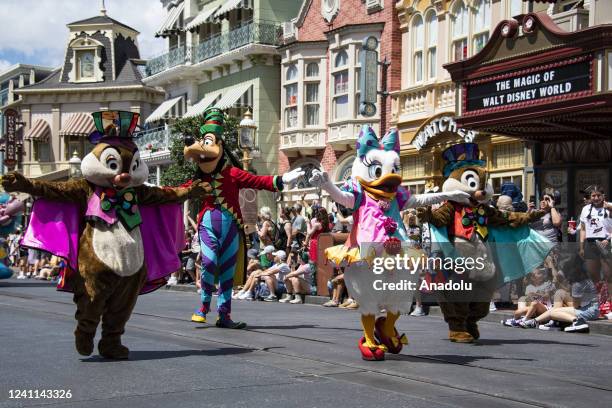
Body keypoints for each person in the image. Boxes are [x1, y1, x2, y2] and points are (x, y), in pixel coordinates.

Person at [521, 252, 599, 332]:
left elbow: (576, 305)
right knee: (559, 293)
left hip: (589, 311)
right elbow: (558, 276)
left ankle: (578, 322)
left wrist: (561, 309)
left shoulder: (577, 283)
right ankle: (544, 321)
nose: (563, 270)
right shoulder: (582, 277)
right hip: (588, 307)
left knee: (554, 312)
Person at [579, 186, 610, 284]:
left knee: (608, 273)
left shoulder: (609, 207)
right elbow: (583, 229)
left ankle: (609, 297)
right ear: (590, 197)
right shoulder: (585, 209)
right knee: (592, 273)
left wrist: (608, 239)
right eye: (593, 196)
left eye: (598, 195)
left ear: (603, 196)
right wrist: (581, 247)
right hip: (590, 243)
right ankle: (601, 294)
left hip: (606, 242)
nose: (596, 198)